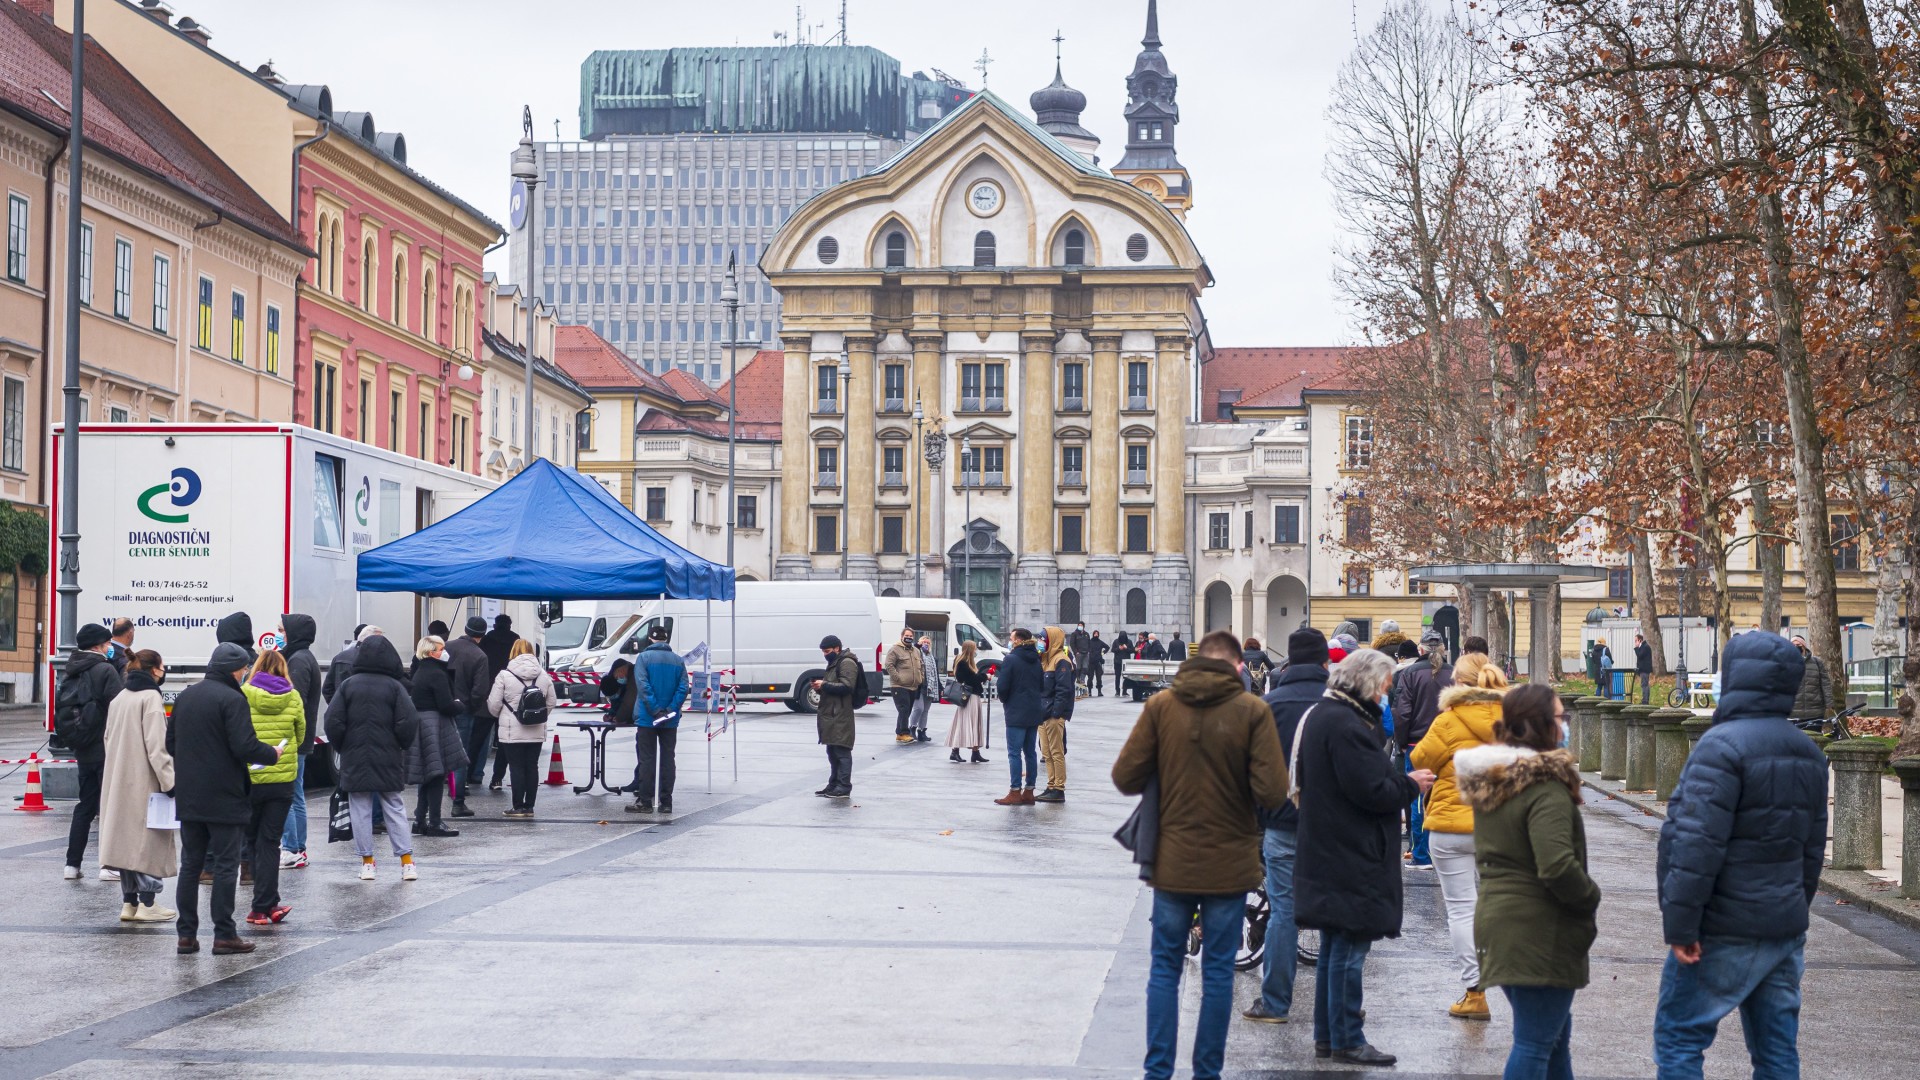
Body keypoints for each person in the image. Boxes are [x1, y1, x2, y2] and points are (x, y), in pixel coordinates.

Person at [1113, 629, 1288, 1080]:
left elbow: (1125, 777)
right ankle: (1207, 1073)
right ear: (1237, 666)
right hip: (1230, 864)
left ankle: (1157, 1072)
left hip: (1170, 861)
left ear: (1195, 661)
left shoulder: (1161, 706)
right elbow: (1272, 792)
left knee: (1164, 969)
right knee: (1217, 974)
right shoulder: (1252, 711)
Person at [1654, 632, 1827, 1079]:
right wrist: (1791, 908)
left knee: (1679, 1039)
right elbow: (1811, 852)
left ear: (1734, 677)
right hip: (1782, 926)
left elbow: (1693, 844)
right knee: (1777, 1054)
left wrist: (1681, 925)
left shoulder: (1720, 747)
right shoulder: (1809, 753)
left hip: (1721, 926)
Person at [1294, 648, 1435, 1066]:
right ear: (1368, 683)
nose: (1386, 694)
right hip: (1350, 852)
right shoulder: (1347, 725)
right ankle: (1348, 1039)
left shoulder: (1327, 714)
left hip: (1331, 846)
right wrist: (1410, 784)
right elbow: (1372, 790)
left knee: (1335, 948)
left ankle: (1328, 1036)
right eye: (1385, 686)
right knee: (1349, 950)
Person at [1455, 684, 1600, 1080]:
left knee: (1552, 1040)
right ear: (1541, 724)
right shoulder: (1544, 786)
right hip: (1538, 929)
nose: (1565, 725)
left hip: (1502, 923)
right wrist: (1590, 895)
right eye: (1561, 717)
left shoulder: (1498, 780)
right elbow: (1556, 865)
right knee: (1535, 1044)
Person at [1411, 651, 1510, 1021]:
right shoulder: (1514, 720)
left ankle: (1475, 992)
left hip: (1451, 826)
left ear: (1459, 683)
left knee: (1461, 908)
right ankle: (1516, 983)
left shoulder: (1449, 720)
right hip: (1498, 825)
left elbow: (1420, 760)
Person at [169, 643, 281, 954]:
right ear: (235, 670)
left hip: (190, 795)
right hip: (225, 797)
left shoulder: (186, 696)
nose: (246, 673)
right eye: (244, 668)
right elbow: (244, 746)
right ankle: (224, 934)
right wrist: (272, 753)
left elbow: (170, 743)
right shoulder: (233, 699)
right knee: (226, 865)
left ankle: (186, 935)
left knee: (190, 865)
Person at [1243, 628, 1330, 1025]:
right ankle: (1336, 1002)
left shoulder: (1267, 706)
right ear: (1325, 661)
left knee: (1283, 910)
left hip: (1280, 824)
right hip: (1332, 828)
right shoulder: (1339, 704)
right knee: (1333, 913)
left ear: (1288, 662)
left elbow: (1249, 770)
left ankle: (1275, 1003)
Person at [324, 634, 420, 882]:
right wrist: (400, 744)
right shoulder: (395, 687)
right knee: (394, 806)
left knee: (360, 808)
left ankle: (367, 863)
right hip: (388, 755)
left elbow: (332, 721)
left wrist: (343, 746)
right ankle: (407, 863)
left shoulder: (348, 685)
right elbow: (409, 721)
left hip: (355, 755)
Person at [99, 649, 176, 923]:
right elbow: (157, 747)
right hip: (144, 780)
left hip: (118, 779)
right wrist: (169, 782)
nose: (164, 671)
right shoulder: (150, 697)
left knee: (125, 843)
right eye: (163, 666)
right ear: (154, 669)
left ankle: (129, 903)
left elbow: (107, 738)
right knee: (147, 842)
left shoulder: (120, 698)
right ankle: (148, 903)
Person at [238, 650, 304, 926]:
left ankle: (263, 906)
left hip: (250, 778)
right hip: (282, 779)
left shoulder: (243, 694)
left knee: (253, 840)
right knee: (270, 841)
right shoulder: (293, 696)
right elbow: (300, 735)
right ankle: (266, 904)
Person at [59, 623, 125, 881]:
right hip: (105, 746)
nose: (110, 647)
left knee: (85, 806)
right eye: (107, 644)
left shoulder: (72, 669)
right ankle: (109, 865)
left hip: (83, 748)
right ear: (98, 645)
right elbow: (118, 707)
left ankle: (72, 865)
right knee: (109, 806)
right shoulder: (105, 669)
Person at [404, 635, 468, 838]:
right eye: (441, 649)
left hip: (422, 724)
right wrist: (460, 705)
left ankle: (420, 820)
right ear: (431, 652)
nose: (445, 652)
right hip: (435, 724)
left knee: (428, 774)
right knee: (436, 775)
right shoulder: (436, 673)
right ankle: (435, 822)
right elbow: (445, 704)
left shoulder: (421, 671)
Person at [1394, 633, 1448, 870]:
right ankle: (1442, 852)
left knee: (1418, 798)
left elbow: (1402, 712)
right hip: (1447, 743)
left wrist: (1401, 741)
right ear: (1443, 649)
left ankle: (1421, 854)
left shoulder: (1409, 674)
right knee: (1445, 796)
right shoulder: (1453, 673)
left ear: (1421, 650)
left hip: (1417, 743)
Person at [624, 624, 689, 815]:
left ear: (650, 639)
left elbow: (643, 686)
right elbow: (683, 688)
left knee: (647, 759)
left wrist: (655, 710)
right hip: (670, 719)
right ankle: (666, 802)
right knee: (668, 758)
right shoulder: (678, 661)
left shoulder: (643, 658)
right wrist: (669, 710)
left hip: (647, 718)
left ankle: (645, 801)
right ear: (666, 639)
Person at [276, 614, 323, 871]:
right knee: (296, 794)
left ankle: (292, 849)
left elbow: (296, 701)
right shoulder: (302, 657)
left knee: (290, 795)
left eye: (282, 630)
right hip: (298, 737)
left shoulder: (298, 660)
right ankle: (298, 848)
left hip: (292, 738)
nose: (279, 634)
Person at [489, 639, 554, 818]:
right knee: (532, 766)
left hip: (512, 729)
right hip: (536, 729)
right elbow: (551, 701)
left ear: (513, 652)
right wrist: (538, 715)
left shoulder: (504, 675)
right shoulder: (543, 675)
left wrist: (503, 715)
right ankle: (529, 807)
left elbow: (494, 704)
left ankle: (517, 806)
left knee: (516, 767)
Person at [445, 616, 494, 809]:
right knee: (460, 753)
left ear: (465, 629)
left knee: (441, 750)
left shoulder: (446, 647)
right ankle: (456, 796)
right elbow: (480, 690)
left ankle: (433, 798)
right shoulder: (479, 655)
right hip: (464, 709)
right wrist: (473, 707)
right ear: (482, 635)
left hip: (443, 706)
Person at [994, 628, 1044, 806]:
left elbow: (1002, 686)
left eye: (1012, 638)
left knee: (1014, 753)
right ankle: (1029, 791)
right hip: (1033, 710)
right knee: (1030, 752)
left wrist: (1006, 700)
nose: (1010, 641)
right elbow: (1041, 685)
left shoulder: (1011, 659)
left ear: (1018, 640)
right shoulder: (1036, 659)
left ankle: (1015, 791)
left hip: (1016, 711)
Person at [811, 636, 861, 797]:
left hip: (840, 714)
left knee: (841, 751)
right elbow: (835, 687)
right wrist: (820, 688)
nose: (825, 654)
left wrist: (824, 684)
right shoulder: (835, 662)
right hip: (832, 714)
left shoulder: (846, 662)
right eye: (823, 652)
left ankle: (844, 786)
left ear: (837, 648)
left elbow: (847, 686)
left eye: (827, 651)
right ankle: (834, 784)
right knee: (832, 751)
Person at [1035, 625, 1077, 803]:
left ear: (1052, 640)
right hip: (1043, 714)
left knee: (1056, 752)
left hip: (1053, 714)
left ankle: (1059, 788)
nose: (1040, 642)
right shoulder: (1046, 659)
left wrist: (1056, 713)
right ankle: (1051, 785)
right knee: (1046, 752)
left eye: (1043, 639)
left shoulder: (1061, 660)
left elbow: (1063, 690)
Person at [945, 640, 989, 763]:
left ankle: (975, 752)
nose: (976, 650)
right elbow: (971, 679)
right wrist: (985, 676)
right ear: (970, 649)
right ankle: (955, 751)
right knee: (965, 723)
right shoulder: (963, 663)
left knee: (972, 723)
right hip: (969, 697)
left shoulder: (965, 662)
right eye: (974, 648)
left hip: (972, 696)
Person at [883, 628, 925, 745]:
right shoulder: (895, 649)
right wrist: (897, 678)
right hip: (899, 686)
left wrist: (921, 677)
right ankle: (904, 733)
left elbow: (921, 665)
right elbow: (889, 665)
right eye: (907, 635)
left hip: (913, 686)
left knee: (907, 710)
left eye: (911, 636)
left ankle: (899, 734)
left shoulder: (916, 651)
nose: (909, 637)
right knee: (903, 709)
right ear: (902, 636)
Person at [1788, 634, 1832, 722]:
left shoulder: (1817, 662)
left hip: (1815, 712)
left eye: (1798, 645)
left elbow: (1825, 684)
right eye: (1793, 645)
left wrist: (1829, 704)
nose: (1796, 647)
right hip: (1792, 713)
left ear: (1804, 646)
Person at [907, 634, 941, 743]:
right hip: (919, 686)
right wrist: (918, 645)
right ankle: (912, 728)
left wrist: (940, 687)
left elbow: (935, 674)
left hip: (930, 687)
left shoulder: (933, 658)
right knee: (919, 708)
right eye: (924, 642)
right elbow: (914, 648)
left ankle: (922, 731)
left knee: (925, 711)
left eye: (928, 643)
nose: (926, 644)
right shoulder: (917, 653)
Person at [480, 613, 519, 678]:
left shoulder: (488, 637)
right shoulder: (515, 638)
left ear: (495, 625)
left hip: (491, 672)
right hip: (510, 673)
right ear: (509, 626)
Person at [1084, 630, 1108, 696]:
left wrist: (1102, 653)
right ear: (1093, 634)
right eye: (1095, 633)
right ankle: (1089, 691)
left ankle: (1099, 691)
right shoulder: (1090, 642)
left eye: (1097, 633)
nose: (1096, 634)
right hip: (1091, 662)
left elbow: (1107, 647)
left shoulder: (1100, 642)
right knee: (1090, 677)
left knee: (1099, 677)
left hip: (1098, 662)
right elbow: (1085, 648)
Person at [1633, 633, 1655, 705]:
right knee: (1645, 684)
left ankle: (1645, 701)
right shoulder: (1644, 646)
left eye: (1636, 640)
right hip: (1643, 669)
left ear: (1640, 640)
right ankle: (1645, 700)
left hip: (1644, 669)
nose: (1635, 642)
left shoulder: (1645, 647)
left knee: (1644, 685)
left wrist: (1636, 648)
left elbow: (1640, 655)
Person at [1112, 631, 1134, 696]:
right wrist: (1119, 648)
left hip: (1126, 662)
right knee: (1117, 677)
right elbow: (1113, 650)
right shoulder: (1116, 641)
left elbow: (1132, 650)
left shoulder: (1129, 642)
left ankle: (1125, 691)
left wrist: (1126, 648)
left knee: (1126, 677)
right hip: (1117, 662)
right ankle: (1117, 691)